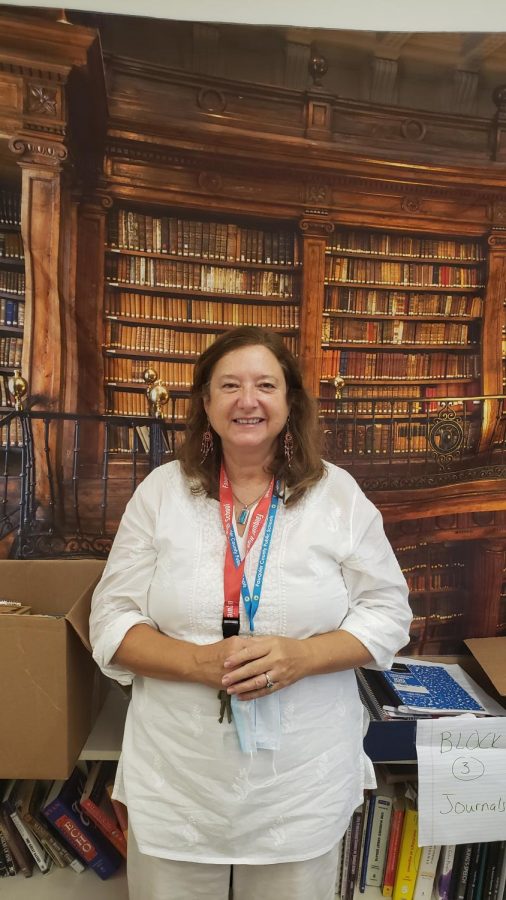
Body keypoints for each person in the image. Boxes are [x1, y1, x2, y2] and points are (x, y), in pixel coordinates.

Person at [89, 325, 412, 900]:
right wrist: (196, 663)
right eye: (230, 385)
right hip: (179, 778)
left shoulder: (337, 495)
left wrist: (303, 656)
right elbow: (111, 620)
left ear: (289, 402)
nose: (248, 400)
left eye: (266, 384)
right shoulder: (162, 492)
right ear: (206, 403)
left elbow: (388, 610)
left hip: (299, 781)